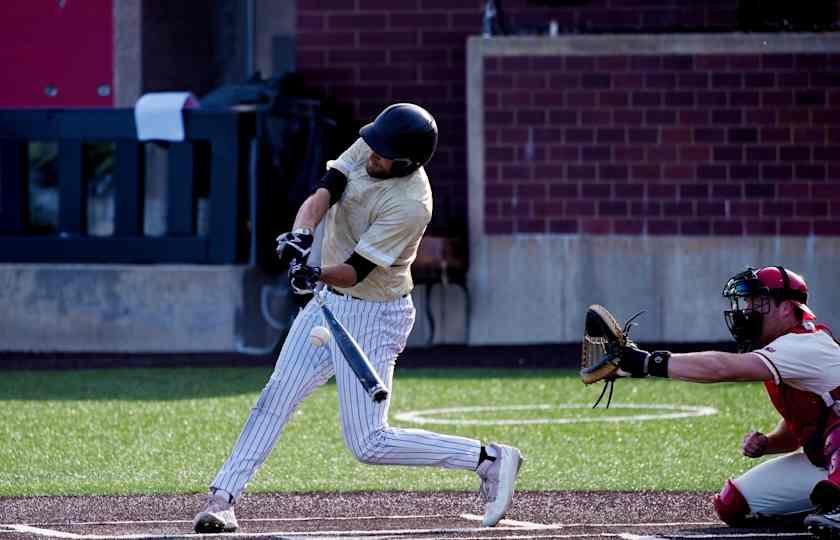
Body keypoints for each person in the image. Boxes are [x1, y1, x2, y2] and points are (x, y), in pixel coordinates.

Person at [192, 103, 523, 533]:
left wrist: (312, 271)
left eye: (384, 155)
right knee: (278, 395)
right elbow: (326, 191)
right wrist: (301, 237)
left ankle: (488, 460)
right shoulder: (374, 143)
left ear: (405, 163)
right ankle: (224, 498)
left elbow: (356, 271)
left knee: (369, 443)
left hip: (374, 314)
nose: (372, 154)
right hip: (329, 302)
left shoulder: (410, 205)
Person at [601, 266, 840, 534]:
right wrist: (770, 442)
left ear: (786, 308)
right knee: (733, 504)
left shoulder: (806, 344)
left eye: (756, 302)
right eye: (747, 302)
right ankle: (826, 511)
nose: (746, 310)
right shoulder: (785, 351)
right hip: (828, 465)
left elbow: (721, 368)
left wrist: (646, 362)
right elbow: (803, 430)